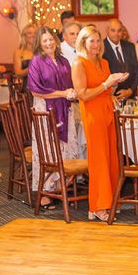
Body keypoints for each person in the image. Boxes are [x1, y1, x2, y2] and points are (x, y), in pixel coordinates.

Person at [72, 27, 128, 222]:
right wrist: (106, 84)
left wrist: (114, 83)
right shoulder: (79, 63)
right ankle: (97, 205)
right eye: (92, 41)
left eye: (98, 41)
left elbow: (106, 91)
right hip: (92, 115)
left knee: (112, 157)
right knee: (99, 160)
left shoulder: (104, 62)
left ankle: (110, 200)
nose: (96, 45)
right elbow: (82, 94)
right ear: (83, 43)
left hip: (107, 111)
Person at [27, 28, 79, 208]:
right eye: (44, 41)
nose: (49, 43)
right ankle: (44, 192)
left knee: (66, 148)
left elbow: (70, 83)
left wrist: (72, 92)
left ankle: (59, 187)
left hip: (64, 108)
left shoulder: (63, 61)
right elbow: (35, 90)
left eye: (51, 39)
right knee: (48, 150)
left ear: (56, 40)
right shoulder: (36, 61)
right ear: (39, 43)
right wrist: (62, 93)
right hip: (45, 110)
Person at [101, 18, 138, 101]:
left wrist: (130, 91)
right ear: (107, 30)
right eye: (113, 30)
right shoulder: (101, 48)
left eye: (119, 30)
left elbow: (136, 71)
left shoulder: (130, 46)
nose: (116, 34)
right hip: (111, 97)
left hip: (131, 95)